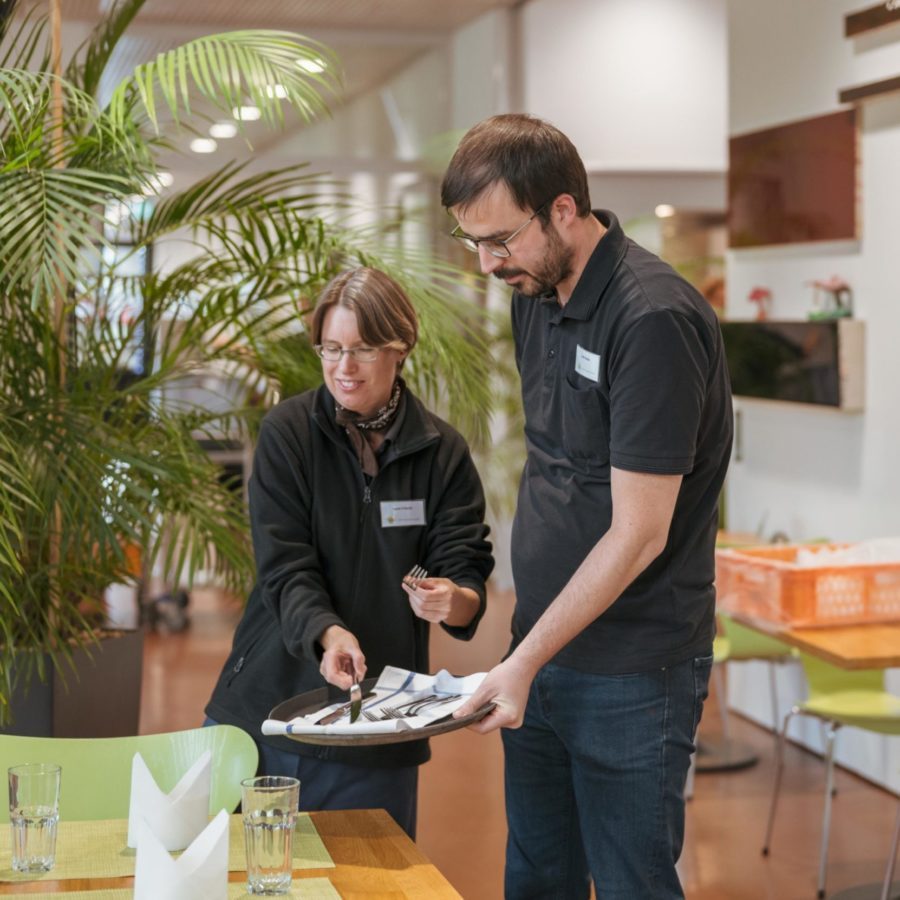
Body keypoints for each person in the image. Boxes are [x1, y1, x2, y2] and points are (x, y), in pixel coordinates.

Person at [442, 114, 733, 899]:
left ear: (563, 210)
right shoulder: (534, 293)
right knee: (538, 876)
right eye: (473, 243)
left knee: (632, 880)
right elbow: (560, 468)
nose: (487, 263)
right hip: (539, 646)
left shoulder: (653, 319)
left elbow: (639, 532)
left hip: (633, 670)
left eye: (500, 239)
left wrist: (521, 661)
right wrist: (523, 651)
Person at [205, 267, 494, 838]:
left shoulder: (443, 454)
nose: (344, 367)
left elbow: (465, 571)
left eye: (362, 349)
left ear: (400, 346)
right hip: (272, 709)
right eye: (331, 348)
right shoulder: (289, 434)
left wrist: (453, 600)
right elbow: (285, 565)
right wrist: (328, 633)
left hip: (379, 725)